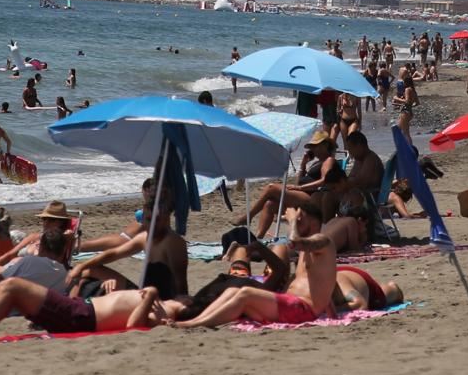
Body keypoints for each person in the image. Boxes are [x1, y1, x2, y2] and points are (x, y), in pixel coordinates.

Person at [170, 203, 339, 328]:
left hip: (301, 309)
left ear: (313, 222)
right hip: (292, 306)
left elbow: (294, 242)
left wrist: (293, 220)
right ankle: (194, 321)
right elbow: (322, 285)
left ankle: (194, 325)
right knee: (232, 291)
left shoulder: (323, 241)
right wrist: (333, 315)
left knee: (245, 293)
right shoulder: (308, 249)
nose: (296, 222)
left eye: (301, 219)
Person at [0, 281, 167, 342]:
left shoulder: (164, 313)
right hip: (81, 308)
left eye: (185, 299)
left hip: (81, 316)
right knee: (6, 287)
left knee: (12, 287)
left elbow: (134, 327)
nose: (183, 295)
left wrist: (152, 294)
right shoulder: (160, 304)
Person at [67, 199, 188, 300]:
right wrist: (81, 266)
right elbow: (113, 253)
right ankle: (71, 302)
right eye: (147, 219)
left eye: (156, 220)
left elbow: (181, 283)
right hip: (142, 293)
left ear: (166, 218)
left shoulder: (173, 243)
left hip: (159, 300)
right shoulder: (144, 238)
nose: (151, 224)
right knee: (89, 269)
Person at [237, 131, 340, 237]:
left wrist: (299, 187)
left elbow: (324, 180)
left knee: (271, 188)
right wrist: (303, 164)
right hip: (303, 193)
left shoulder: (329, 160)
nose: (313, 149)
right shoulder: (316, 163)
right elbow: (301, 180)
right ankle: (259, 237)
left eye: (315, 146)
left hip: (313, 196)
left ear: (326, 145)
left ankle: (248, 217)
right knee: (270, 204)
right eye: (312, 147)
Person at [0, 201, 77, 273]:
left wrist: (66, 240)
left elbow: (59, 265)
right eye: (44, 219)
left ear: (61, 222)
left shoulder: (62, 241)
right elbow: (10, 254)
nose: (46, 223)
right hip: (13, 268)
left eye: (51, 220)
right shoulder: (35, 236)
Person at [336, 267, 403, 312]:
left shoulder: (339, 283)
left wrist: (334, 309)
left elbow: (361, 305)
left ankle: (392, 288)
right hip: (343, 272)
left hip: (369, 288)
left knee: (387, 295)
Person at [392, 76, 418, 146]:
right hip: (409, 112)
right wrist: (400, 104)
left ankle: (410, 148)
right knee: (400, 131)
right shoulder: (413, 90)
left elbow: (407, 101)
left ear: (406, 82)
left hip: (405, 113)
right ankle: (405, 147)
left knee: (405, 132)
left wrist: (396, 98)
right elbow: (417, 103)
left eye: (403, 82)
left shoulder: (407, 89)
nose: (403, 83)